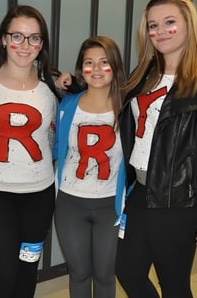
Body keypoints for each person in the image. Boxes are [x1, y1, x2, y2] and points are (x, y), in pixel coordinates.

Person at [114, 0, 197, 298]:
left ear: (189, 25)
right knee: (126, 269)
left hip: (178, 201)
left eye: (169, 22)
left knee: (174, 285)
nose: (159, 31)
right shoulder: (142, 77)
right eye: (153, 25)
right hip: (139, 192)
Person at [0, 5, 61, 298]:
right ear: (4, 39)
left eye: (34, 38)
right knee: (3, 277)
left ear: (42, 45)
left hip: (39, 195)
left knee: (26, 273)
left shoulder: (53, 85)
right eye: (17, 36)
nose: (25, 45)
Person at [53, 36, 127, 298]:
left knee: (106, 275)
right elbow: (55, 147)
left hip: (111, 205)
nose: (96, 69)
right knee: (79, 273)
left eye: (104, 62)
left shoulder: (127, 108)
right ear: (80, 68)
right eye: (89, 63)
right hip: (70, 204)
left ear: (115, 66)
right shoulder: (68, 104)